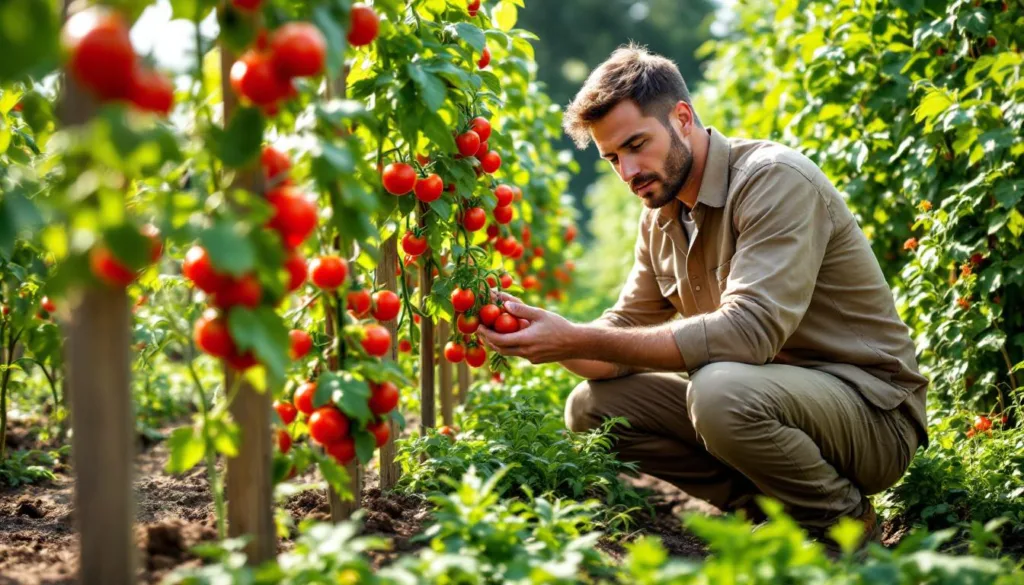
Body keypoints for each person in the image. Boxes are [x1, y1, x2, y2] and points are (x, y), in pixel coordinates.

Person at [476, 43, 928, 556]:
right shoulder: (662, 216)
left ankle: (841, 523)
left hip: (872, 414)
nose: (627, 172)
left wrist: (576, 337)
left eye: (636, 145)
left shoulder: (772, 179)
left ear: (682, 117)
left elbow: (748, 333)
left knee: (719, 391)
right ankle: (773, 514)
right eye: (612, 159)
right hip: (774, 403)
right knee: (593, 407)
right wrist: (543, 337)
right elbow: (623, 329)